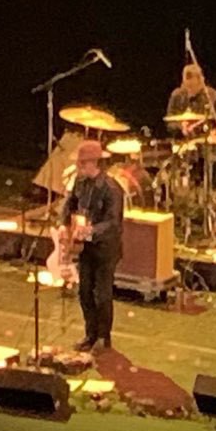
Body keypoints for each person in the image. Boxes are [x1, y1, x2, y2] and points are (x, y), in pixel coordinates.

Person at [61, 137, 126, 353]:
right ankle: (90, 334)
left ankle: (103, 337)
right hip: (86, 246)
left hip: (106, 248)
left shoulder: (112, 189)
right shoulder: (80, 184)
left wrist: (92, 230)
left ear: (94, 163)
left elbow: (113, 221)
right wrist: (64, 225)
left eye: (82, 163)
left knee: (103, 293)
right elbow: (69, 204)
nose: (79, 167)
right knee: (85, 291)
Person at [166, 62, 216, 134]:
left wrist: (215, 131)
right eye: (186, 86)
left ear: (201, 81)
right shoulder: (177, 95)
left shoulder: (213, 96)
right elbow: (169, 122)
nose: (188, 90)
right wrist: (180, 126)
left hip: (206, 140)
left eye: (192, 86)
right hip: (181, 141)